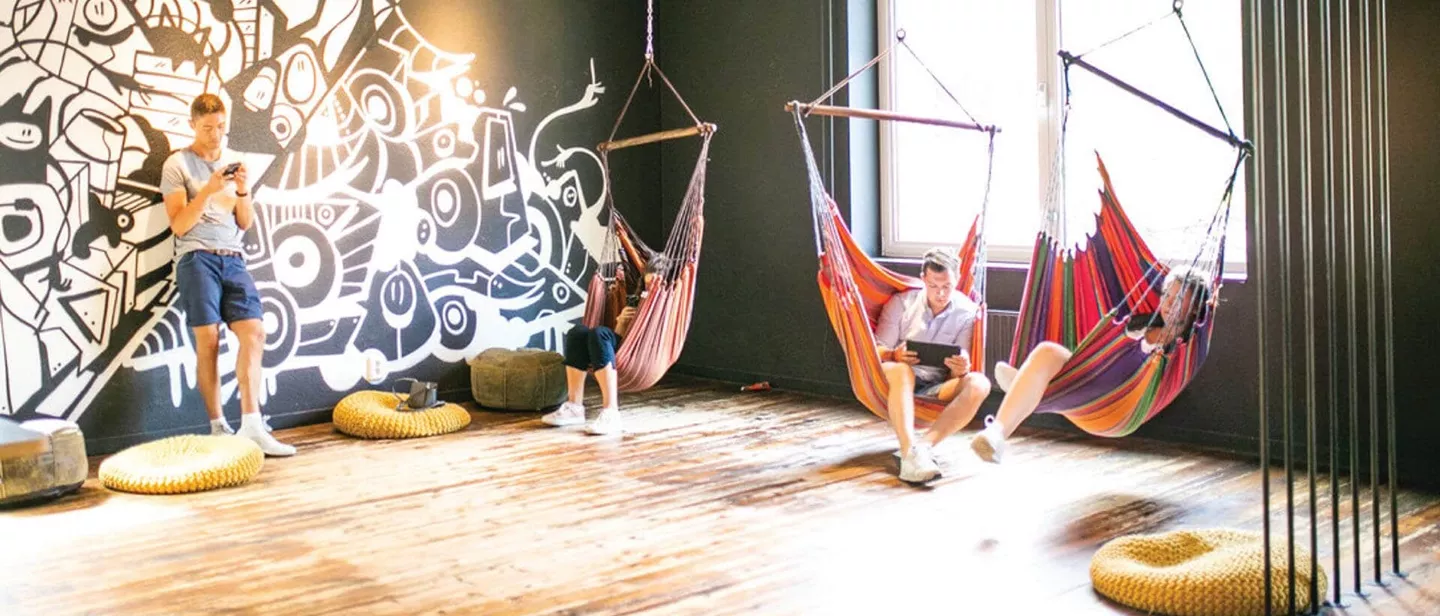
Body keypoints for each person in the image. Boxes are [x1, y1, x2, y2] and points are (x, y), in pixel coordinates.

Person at [161, 93, 294, 456]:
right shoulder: (177, 164)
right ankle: (218, 427)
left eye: (221, 126)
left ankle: (252, 426)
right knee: (209, 341)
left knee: (255, 332)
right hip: (196, 258)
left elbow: (245, 222)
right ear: (192, 125)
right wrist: (208, 189)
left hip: (233, 258)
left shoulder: (236, 161)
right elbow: (179, 225)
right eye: (207, 128)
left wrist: (243, 189)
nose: (215, 134)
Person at [971, 266, 1215, 463]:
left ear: (1195, 307)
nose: (1167, 304)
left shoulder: (1183, 350)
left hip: (1120, 401)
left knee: (1042, 367)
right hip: (1093, 381)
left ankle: (1027, 385)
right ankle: (996, 434)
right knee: (1047, 351)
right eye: (1165, 295)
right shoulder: (1141, 324)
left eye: (1178, 298)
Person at [874, 248, 992, 484]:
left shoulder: (968, 312)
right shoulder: (901, 303)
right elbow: (876, 351)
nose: (940, 293)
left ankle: (922, 448)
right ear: (923, 279)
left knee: (980, 383)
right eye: (933, 286)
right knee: (902, 370)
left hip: (937, 385)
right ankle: (908, 451)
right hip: (896, 379)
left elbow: (958, 369)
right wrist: (895, 354)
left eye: (947, 286)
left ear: (957, 280)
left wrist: (960, 368)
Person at [541, 273, 647, 435]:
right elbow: (620, 338)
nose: (651, 286)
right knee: (578, 332)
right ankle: (574, 407)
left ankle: (611, 413)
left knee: (599, 333)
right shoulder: (639, 296)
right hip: (624, 348)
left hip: (642, 352)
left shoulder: (663, 303)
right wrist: (622, 322)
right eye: (648, 282)